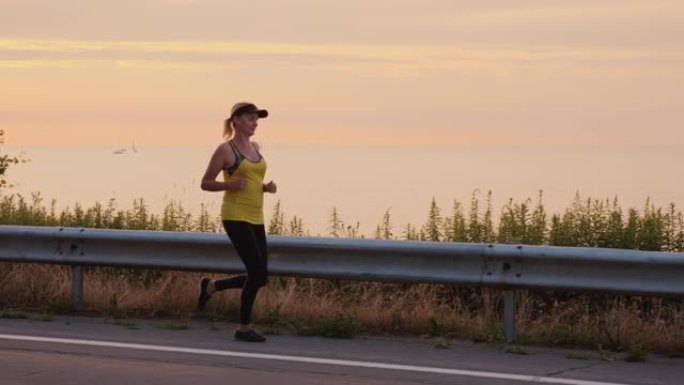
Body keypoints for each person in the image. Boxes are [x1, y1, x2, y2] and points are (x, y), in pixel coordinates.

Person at [197, 102, 277, 343]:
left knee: (260, 277)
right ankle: (243, 327)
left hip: (256, 216)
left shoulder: (255, 147)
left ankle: (211, 286)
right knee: (255, 272)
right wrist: (229, 185)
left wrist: (265, 187)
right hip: (235, 216)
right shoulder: (225, 150)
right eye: (251, 118)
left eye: (257, 119)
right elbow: (206, 182)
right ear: (237, 121)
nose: (255, 123)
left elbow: (251, 180)